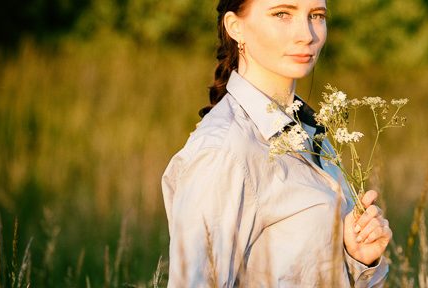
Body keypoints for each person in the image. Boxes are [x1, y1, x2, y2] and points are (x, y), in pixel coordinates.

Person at [161, 0, 391, 286]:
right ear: (235, 27)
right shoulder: (223, 150)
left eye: (316, 15)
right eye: (282, 14)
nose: (306, 34)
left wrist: (359, 259)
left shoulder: (309, 131)